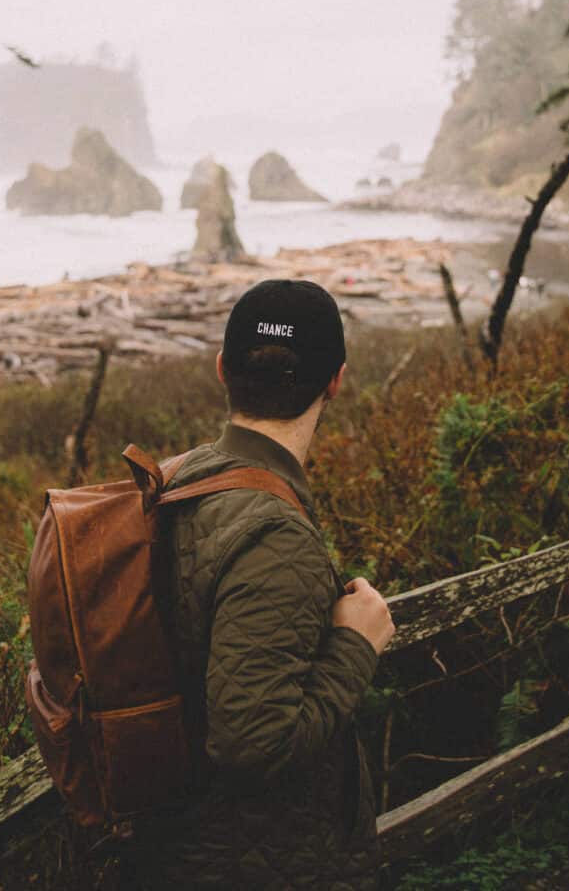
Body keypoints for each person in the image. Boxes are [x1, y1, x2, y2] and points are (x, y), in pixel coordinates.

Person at [125, 278, 395, 890]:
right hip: (252, 861)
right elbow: (252, 746)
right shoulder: (275, 536)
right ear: (336, 381)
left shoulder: (178, 476)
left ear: (223, 368)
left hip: (175, 845)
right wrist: (357, 645)